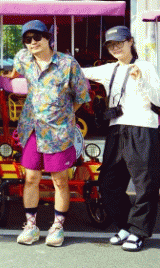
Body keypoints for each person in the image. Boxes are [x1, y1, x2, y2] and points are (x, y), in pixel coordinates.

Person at [9, 20, 90, 247]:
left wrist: (64, 115)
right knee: (31, 178)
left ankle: (57, 226)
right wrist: (8, 76)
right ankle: (31, 225)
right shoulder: (23, 58)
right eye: (27, 39)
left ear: (48, 38)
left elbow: (82, 96)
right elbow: (14, 70)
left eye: (37, 37)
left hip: (58, 132)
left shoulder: (67, 63)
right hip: (32, 129)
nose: (32, 42)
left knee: (60, 180)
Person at [82, 26, 160, 252]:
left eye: (119, 43)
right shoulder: (110, 69)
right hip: (117, 129)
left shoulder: (145, 66)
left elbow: (158, 98)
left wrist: (142, 80)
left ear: (130, 42)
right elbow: (79, 71)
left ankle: (139, 231)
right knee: (109, 183)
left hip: (142, 127)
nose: (115, 48)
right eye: (111, 45)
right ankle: (126, 226)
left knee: (145, 183)